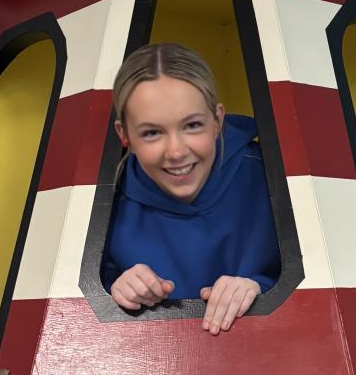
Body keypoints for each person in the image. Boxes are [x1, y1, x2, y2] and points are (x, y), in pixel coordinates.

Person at [104, 42, 280, 334]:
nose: (175, 152)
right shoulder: (101, 201)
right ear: (125, 135)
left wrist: (258, 288)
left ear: (217, 120)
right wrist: (118, 289)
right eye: (151, 132)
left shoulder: (273, 175)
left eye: (193, 125)